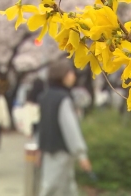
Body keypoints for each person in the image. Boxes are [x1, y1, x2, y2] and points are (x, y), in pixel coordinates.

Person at [37, 59, 92, 196]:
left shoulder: (45, 97)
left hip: (49, 148)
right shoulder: (63, 99)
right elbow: (70, 128)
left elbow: (42, 125)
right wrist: (81, 155)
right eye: (71, 73)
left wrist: (39, 147)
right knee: (52, 187)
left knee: (65, 187)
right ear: (63, 76)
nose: (73, 76)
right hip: (61, 150)